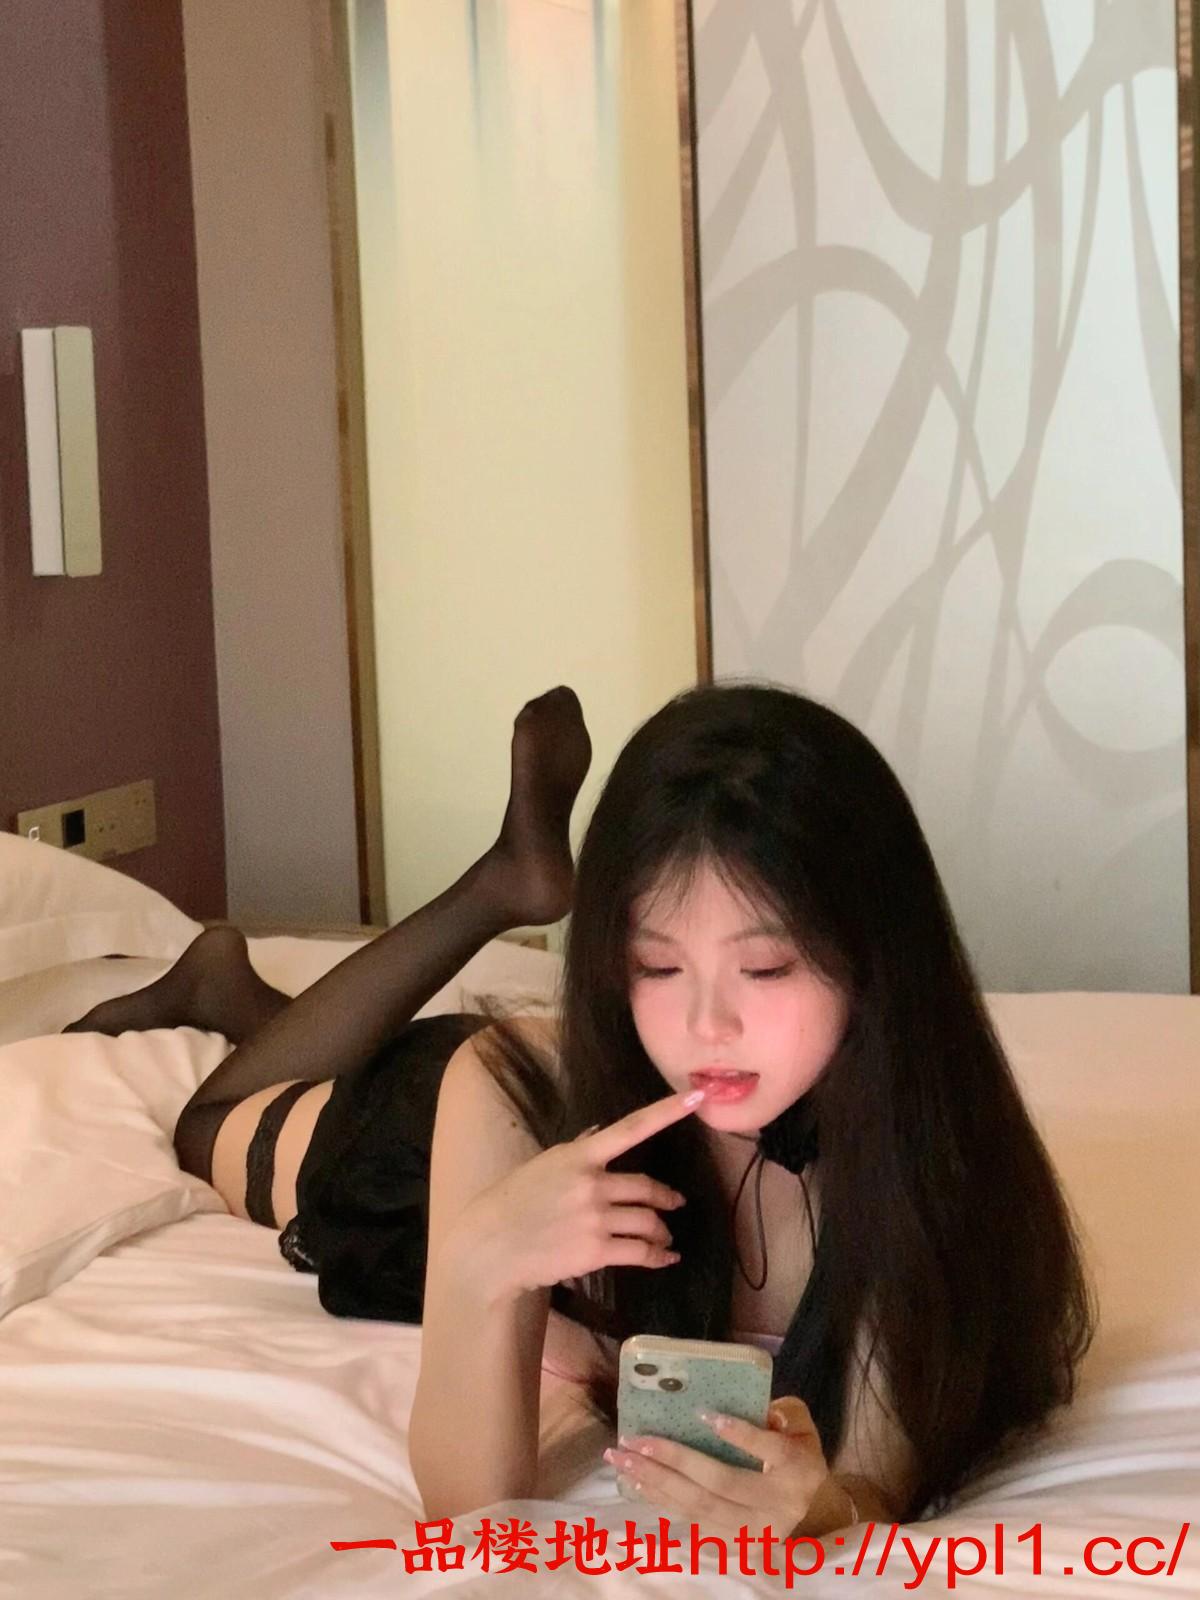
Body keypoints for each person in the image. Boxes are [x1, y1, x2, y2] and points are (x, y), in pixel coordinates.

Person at [66, 680, 1096, 1543]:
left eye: (766, 967)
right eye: (657, 966)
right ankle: (253, 970)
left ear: (876, 956)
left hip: (527, 1120)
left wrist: (822, 1509)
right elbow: (466, 1511)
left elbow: (870, 1486)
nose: (707, 1025)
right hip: (455, 1138)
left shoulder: (926, 1153)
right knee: (212, 1128)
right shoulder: (509, 1097)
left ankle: (244, 997)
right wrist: (481, 1259)